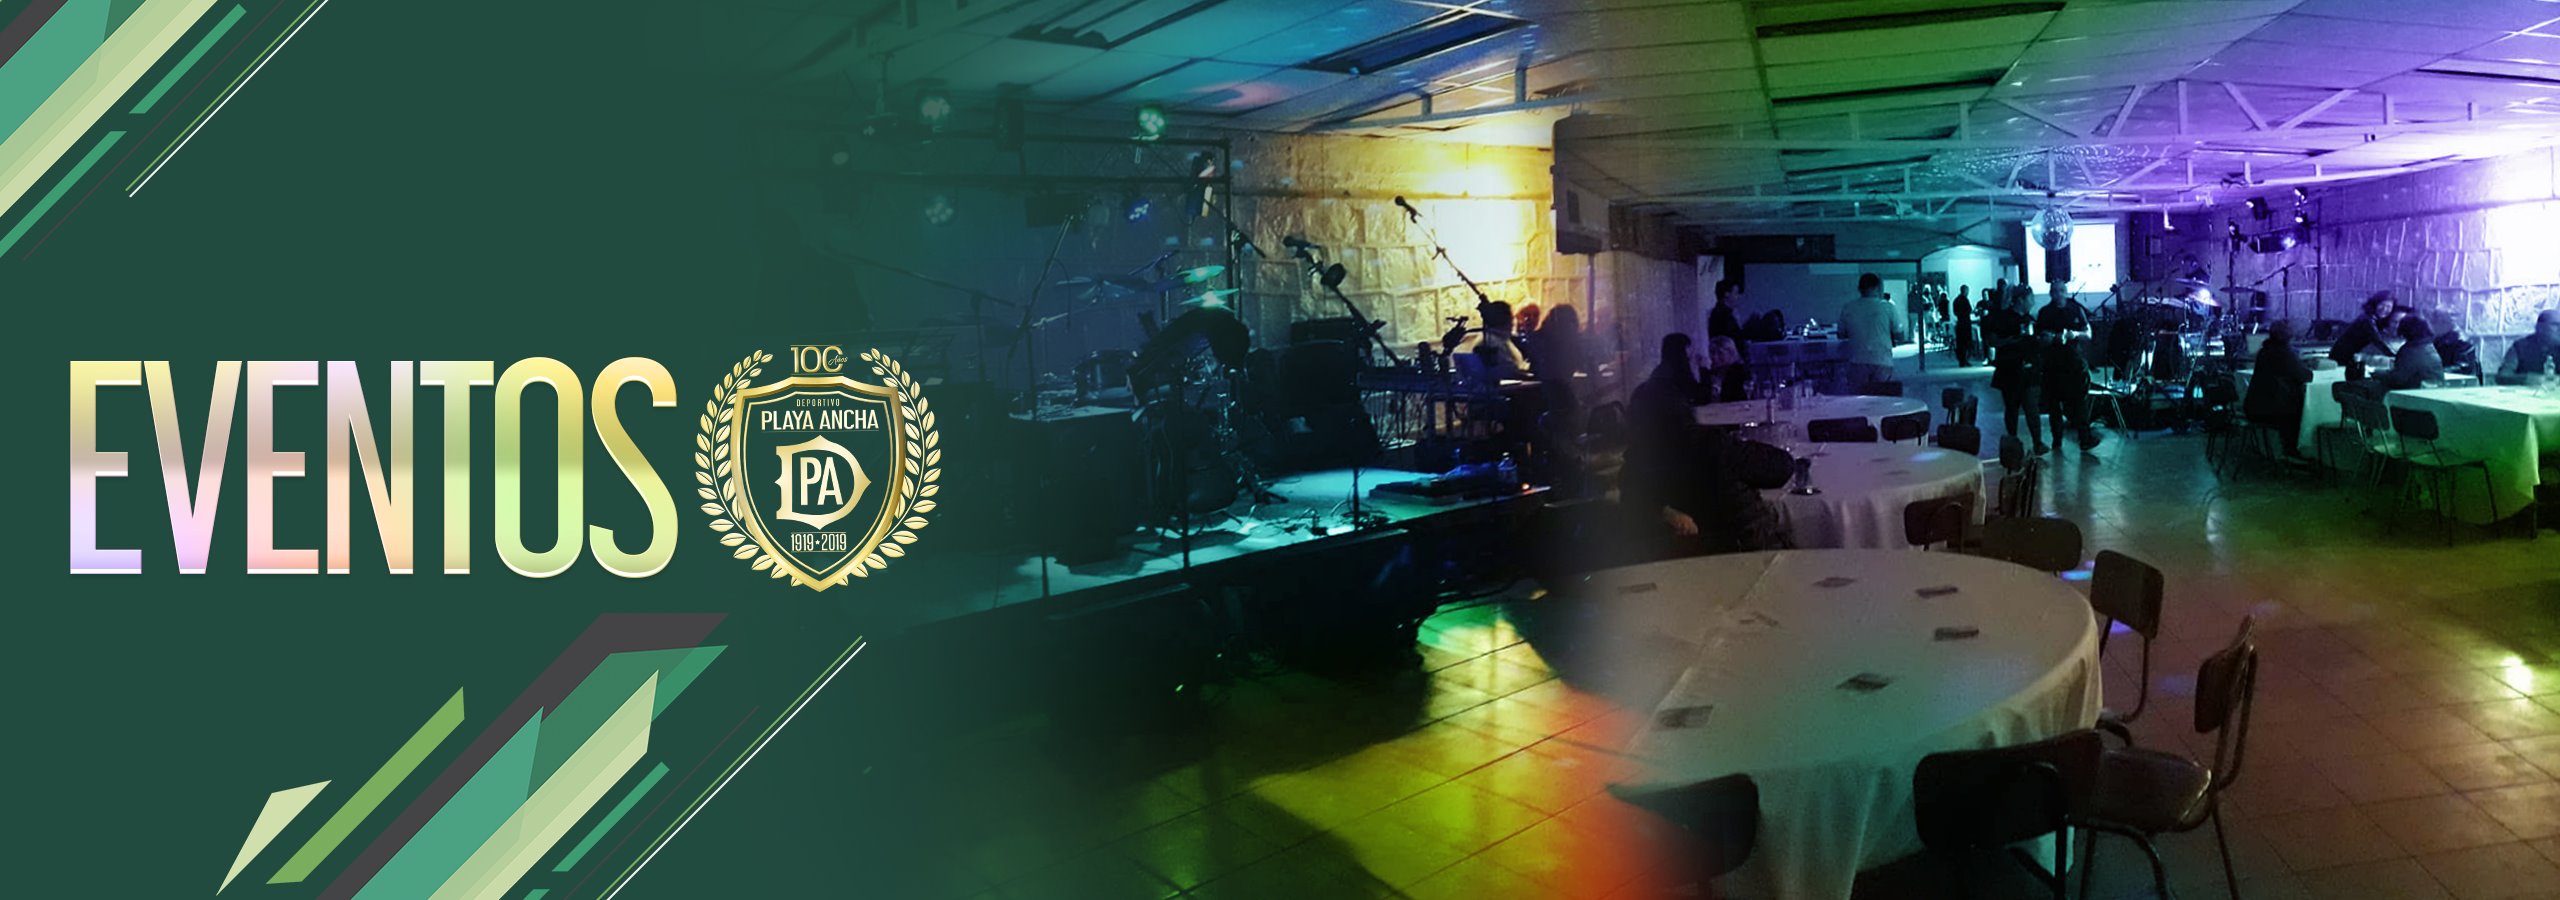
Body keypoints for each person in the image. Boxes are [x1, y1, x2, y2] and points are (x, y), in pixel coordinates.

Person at [2242, 320, 2314, 459]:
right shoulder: (2284, 353)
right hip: (2270, 411)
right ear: (2288, 336)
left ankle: (2286, 450)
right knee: (2300, 405)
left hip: (2254, 407)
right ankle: (2293, 450)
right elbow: (2305, 376)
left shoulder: (2264, 351)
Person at [1992, 316, 2046, 455]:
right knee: (2021, 409)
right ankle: (2029, 442)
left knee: (2021, 409)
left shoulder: (2026, 321)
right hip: (2015, 373)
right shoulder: (2005, 321)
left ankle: (2023, 442)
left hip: (2019, 373)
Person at [1837, 273, 1898, 388]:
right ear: (1876, 287)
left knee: (1859, 396)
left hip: (1857, 359)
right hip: (1882, 360)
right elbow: (1900, 335)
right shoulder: (1888, 307)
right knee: (1881, 395)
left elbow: (1841, 334)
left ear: (1859, 289)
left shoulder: (1848, 307)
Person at [2042, 323, 2094, 452]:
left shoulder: (2075, 311)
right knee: (2059, 405)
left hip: (2071, 364)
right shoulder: (2046, 314)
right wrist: (2053, 337)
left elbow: (2088, 334)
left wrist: (2075, 334)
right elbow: (2040, 337)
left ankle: (2081, 439)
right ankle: (2067, 439)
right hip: (2055, 366)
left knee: (2077, 403)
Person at [2330, 292, 2396, 379]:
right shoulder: (2367, 320)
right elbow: (2378, 341)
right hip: (2342, 357)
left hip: (2348, 356)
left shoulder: (2372, 319)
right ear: (2374, 304)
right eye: (2382, 305)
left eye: (2388, 307)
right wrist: (2395, 356)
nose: (2384, 309)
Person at [1707, 279, 1751, 401]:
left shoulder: (1724, 314)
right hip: (1728, 364)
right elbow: (1729, 338)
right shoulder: (1723, 315)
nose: (1738, 297)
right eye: (1735, 293)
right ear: (1727, 294)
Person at [2496, 309, 2560, 384]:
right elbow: (2502, 376)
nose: (2559, 329)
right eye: (2555, 325)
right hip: (2525, 390)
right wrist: (2526, 379)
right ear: (2539, 327)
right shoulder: (2520, 347)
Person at [2380, 315, 2444, 391]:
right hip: (2433, 391)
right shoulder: (2429, 346)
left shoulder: (2410, 350)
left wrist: (2377, 374)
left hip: (2413, 392)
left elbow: (2398, 379)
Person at [1472, 300, 1530, 378]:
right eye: (1511, 318)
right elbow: (1506, 369)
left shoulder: (1502, 339)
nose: (1513, 323)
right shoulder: (1491, 341)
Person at [1953, 285, 1978, 366]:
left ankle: (1961, 360)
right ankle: (1965, 359)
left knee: (1960, 342)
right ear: (1965, 291)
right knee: (1966, 342)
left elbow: (1955, 312)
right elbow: (1969, 310)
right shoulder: (1965, 300)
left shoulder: (1956, 300)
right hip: (1965, 323)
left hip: (1959, 323)